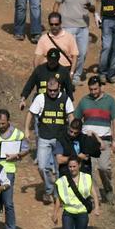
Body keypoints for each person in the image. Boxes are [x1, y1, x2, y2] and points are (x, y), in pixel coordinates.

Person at [25, 77, 75, 205]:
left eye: (54, 90)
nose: (52, 93)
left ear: (59, 88)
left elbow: (70, 115)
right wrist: (26, 129)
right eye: (49, 90)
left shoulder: (65, 99)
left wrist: (73, 131)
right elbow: (31, 113)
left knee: (60, 169)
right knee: (42, 167)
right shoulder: (40, 98)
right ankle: (48, 188)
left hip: (60, 139)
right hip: (44, 138)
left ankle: (58, 194)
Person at [74, 76, 115, 203]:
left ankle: (108, 190)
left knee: (104, 167)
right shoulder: (84, 101)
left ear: (101, 87)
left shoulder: (109, 101)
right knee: (90, 169)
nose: (93, 92)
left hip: (104, 140)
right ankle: (96, 197)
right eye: (91, 89)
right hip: (88, 140)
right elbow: (76, 119)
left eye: (95, 89)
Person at [54, 0, 96, 86]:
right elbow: (57, 3)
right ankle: (64, 74)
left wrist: (90, 7)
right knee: (67, 53)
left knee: (82, 53)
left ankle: (76, 76)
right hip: (67, 26)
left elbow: (93, 8)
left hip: (83, 28)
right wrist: (54, 22)